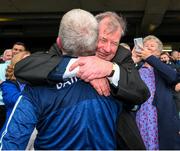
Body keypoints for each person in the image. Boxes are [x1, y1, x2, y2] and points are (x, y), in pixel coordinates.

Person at [14, 12, 149, 149]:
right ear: (91, 34)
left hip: (115, 137)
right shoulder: (66, 48)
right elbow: (25, 68)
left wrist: (109, 69)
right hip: (63, 136)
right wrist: (82, 68)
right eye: (103, 40)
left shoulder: (121, 55)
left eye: (114, 43)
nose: (108, 49)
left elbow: (141, 92)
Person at [132, 35, 180, 150]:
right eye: (146, 45)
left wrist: (150, 58)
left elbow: (173, 77)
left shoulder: (164, 68)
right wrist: (133, 60)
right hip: (140, 114)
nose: (148, 47)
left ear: (158, 52)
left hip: (160, 115)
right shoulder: (136, 69)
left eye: (152, 46)